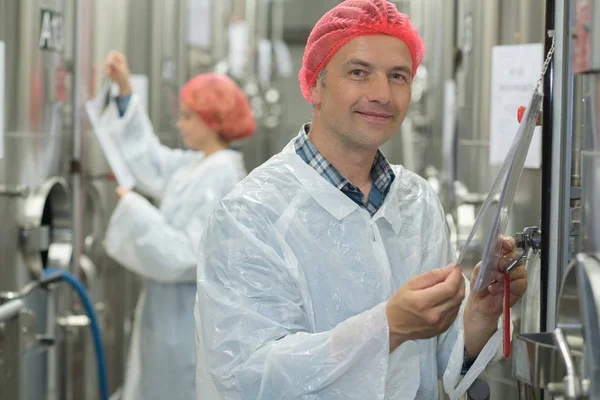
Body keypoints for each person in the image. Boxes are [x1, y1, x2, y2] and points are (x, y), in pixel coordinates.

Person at [195, 1, 527, 399]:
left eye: (398, 76)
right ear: (315, 84)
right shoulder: (251, 214)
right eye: (359, 72)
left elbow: (437, 356)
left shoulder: (417, 202)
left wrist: (481, 312)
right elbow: (247, 376)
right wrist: (388, 326)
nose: (382, 94)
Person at [101, 51, 256, 400]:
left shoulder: (220, 175)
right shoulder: (198, 165)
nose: (180, 124)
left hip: (187, 319)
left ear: (212, 121)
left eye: (188, 117)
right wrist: (125, 92)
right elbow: (152, 162)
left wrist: (132, 208)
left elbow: (187, 256)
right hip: (168, 315)